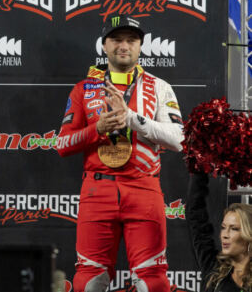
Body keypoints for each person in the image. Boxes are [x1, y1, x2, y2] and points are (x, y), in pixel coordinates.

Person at [56, 16, 184, 292]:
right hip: (97, 190)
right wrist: (97, 129)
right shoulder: (84, 89)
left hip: (143, 187)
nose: (123, 46)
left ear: (140, 46)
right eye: (116, 39)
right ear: (104, 45)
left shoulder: (159, 86)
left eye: (131, 40)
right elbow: (62, 144)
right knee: (88, 281)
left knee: (152, 280)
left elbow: (178, 139)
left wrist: (132, 118)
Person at [187, 173, 252, 292]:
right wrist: (199, 169)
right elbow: (195, 216)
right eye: (223, 227)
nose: (225, 235)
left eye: (234, 228)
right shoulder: (213, 267)